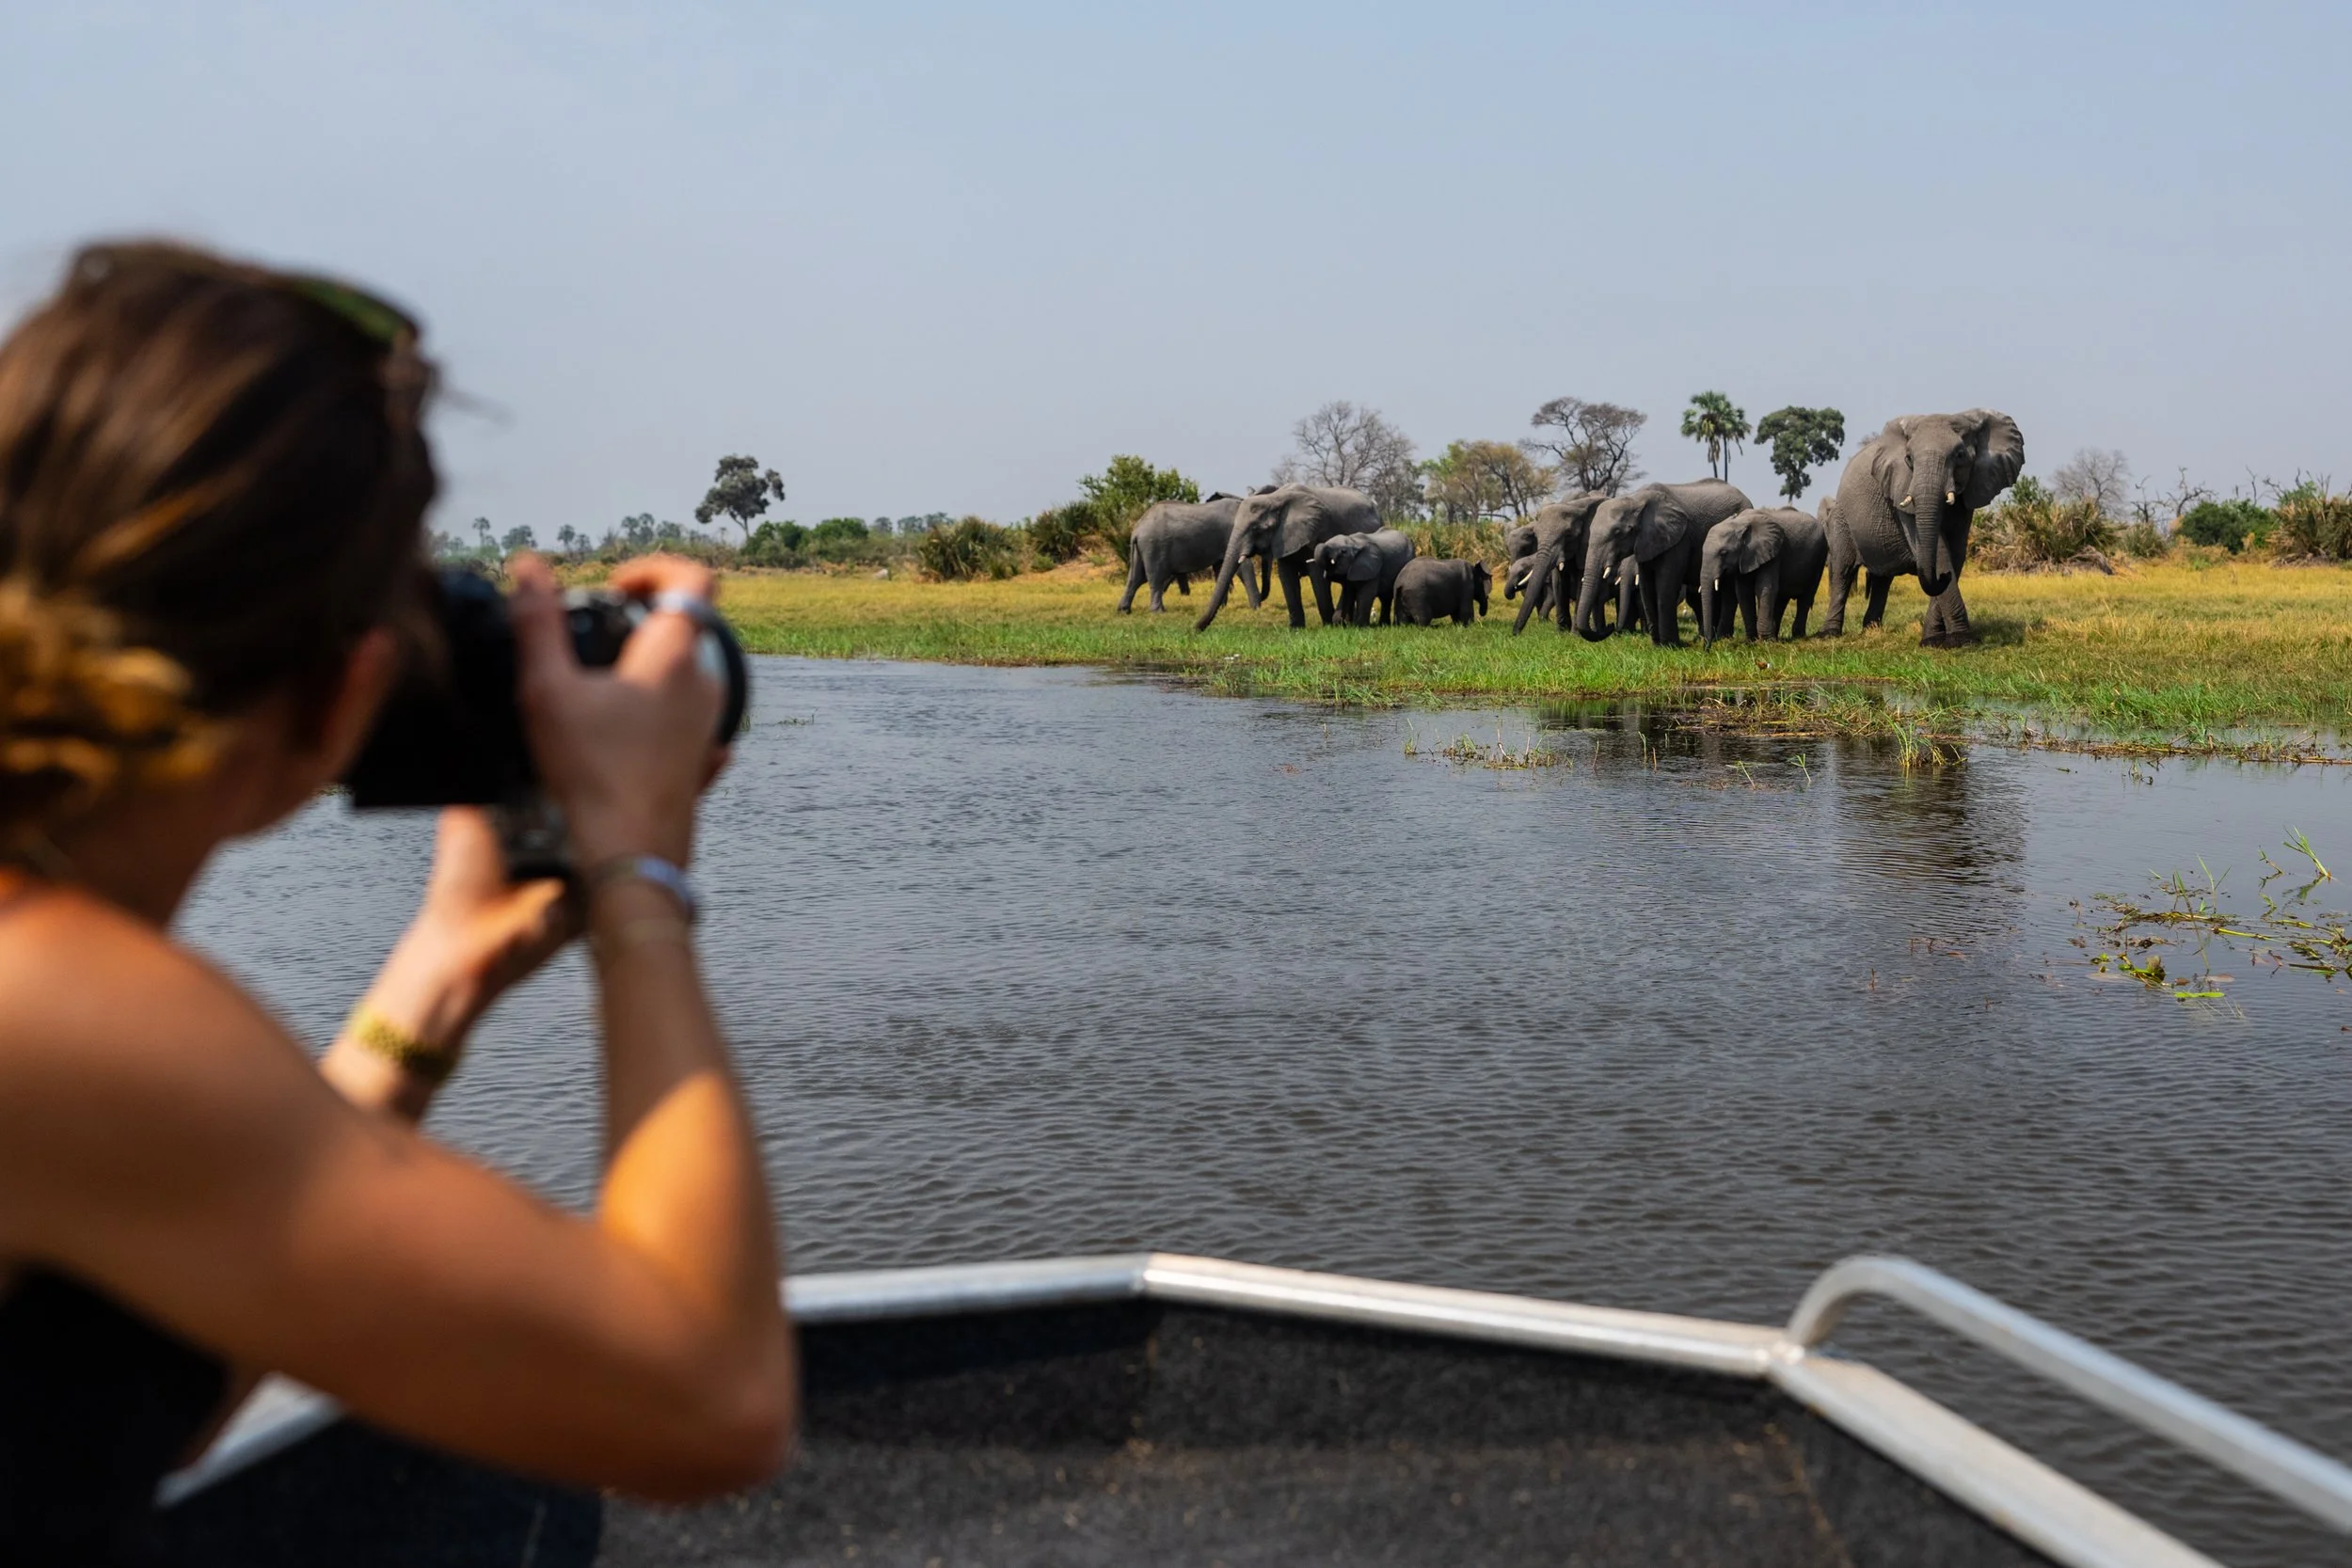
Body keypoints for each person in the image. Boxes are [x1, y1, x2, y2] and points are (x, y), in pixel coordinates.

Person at [0, 243, 796, 1563]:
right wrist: (638, 866)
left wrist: (441, 967)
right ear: (344, 695)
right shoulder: (54, 1004)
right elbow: (713, 1393)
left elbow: (137, 1394)